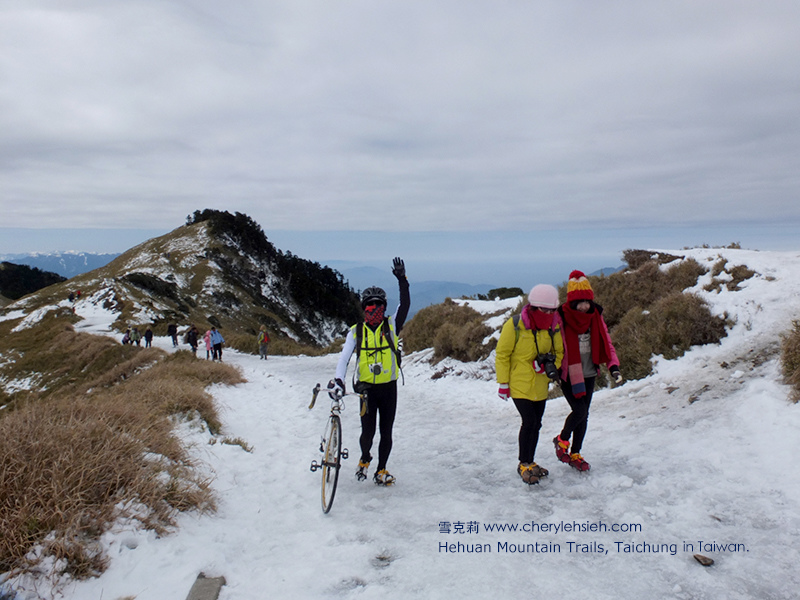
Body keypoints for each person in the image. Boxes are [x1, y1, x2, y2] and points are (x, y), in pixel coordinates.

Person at [332, 258, 410, 486]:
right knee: (368, 432)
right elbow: (344, 357)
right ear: (363, 308)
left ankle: (381, 469)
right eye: (369, 306)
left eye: (378, 305)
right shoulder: (356, 332)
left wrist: (402, 280)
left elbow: (404, 305)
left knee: (386, 432)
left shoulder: (391, 325)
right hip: (366, 388)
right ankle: (365, 457)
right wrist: (339, 379)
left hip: (388, 387)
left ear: (384, 307)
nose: (374, 310)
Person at [553, 270, 622, 472]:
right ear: (572, 302)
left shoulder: (595, 317)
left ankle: (575, 453)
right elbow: (551, 342)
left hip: (590, 371)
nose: (584, 306)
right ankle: (561, 439)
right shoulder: (561, 317)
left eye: (587, 301)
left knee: (584, 415)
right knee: (580, 410)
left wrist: (614, 366)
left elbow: (606, 342)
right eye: (580, 301)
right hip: (568, 373)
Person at [496, 284, 564, 485]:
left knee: (537, 424)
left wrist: (549, 367)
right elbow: (502, 355)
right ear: (533, 307)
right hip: (519, 384)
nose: (549, 314)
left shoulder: (554, 326)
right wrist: (503, 383)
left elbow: (560, 353)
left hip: (540, 386)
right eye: (545, 310)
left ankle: (530, 461)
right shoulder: (515, 325)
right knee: (529, 422)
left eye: (552, 310)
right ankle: (523, 463)